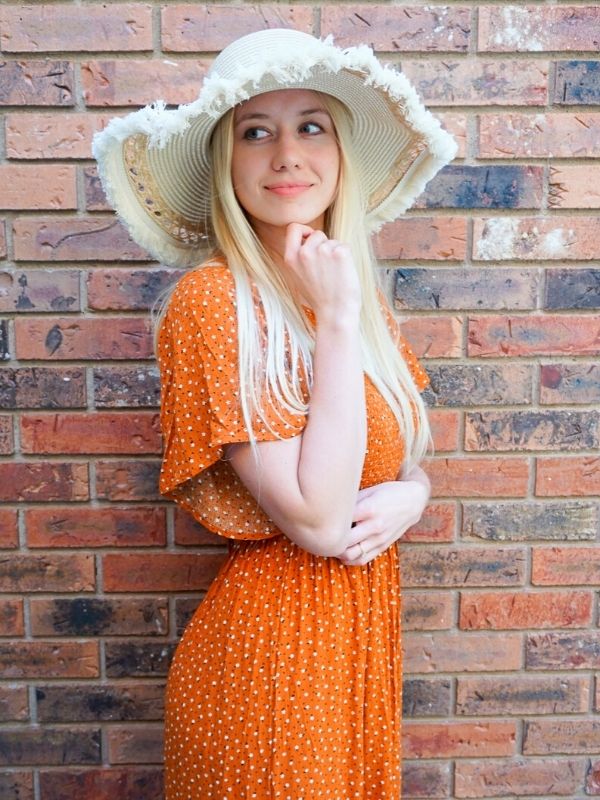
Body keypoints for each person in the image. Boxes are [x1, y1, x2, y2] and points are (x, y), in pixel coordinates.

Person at [93, 28, 456, 799]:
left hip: (354, 656)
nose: (286, 154)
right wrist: (336, 321)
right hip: (271, 668)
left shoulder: (340, 296)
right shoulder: (214, 303)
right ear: (227, 162)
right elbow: (320, 523)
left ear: (339, 154)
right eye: (256, 132)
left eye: (309, 126)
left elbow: (396, 450)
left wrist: (415, 494)